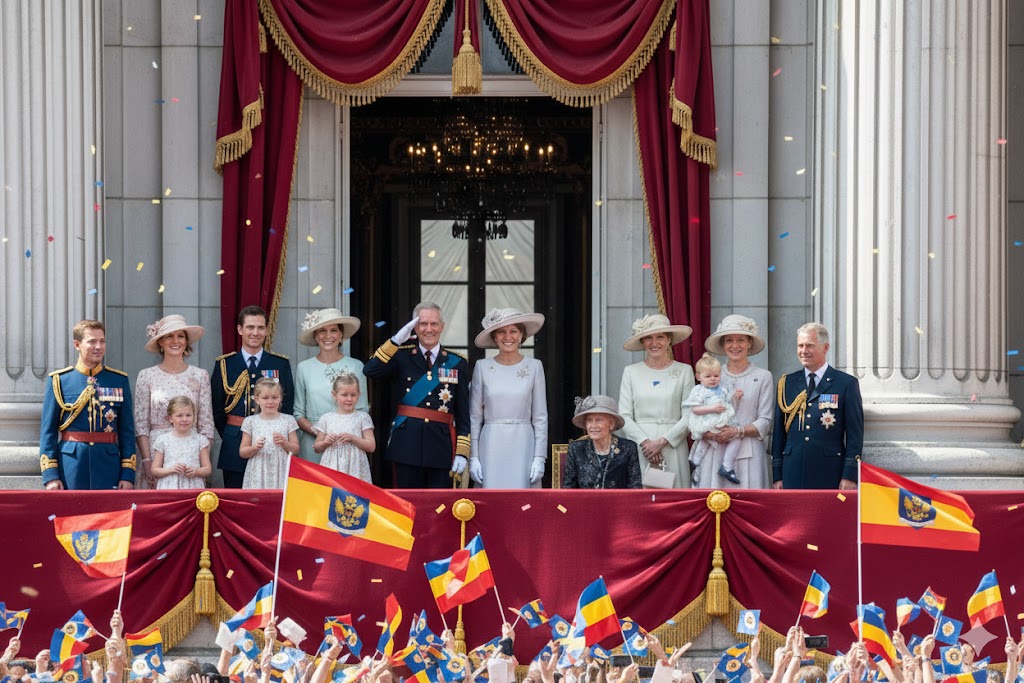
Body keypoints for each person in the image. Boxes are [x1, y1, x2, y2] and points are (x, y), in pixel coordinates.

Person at [363, 302, 470, 489]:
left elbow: (463, 411)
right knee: (408, 507)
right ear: (415, 327)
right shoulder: (400, 355)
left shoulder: (457, 362)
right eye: (423, 324)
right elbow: (371, 370)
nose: (429, 329)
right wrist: (395, 340)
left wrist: (462, 451)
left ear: (442, 326)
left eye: (434, 324)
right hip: (406, 445)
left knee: (440, 508)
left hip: (442, 446)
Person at [39, 319, 137, 490]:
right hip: (71, 464)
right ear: (77, 344)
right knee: (71, 516)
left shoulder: (118, 380)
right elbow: (48, 431)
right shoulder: (59, 381)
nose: (98, 346)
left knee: (109, 516)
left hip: (109, 464)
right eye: (92, 341)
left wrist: (127, 473)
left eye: (102, 341)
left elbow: (127, 431)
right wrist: (51, 475)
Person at [212, 305, 295, 488]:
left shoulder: (279, 363)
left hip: (272, 445)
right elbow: (217, 409)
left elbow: (287, 406)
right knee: (237, 503)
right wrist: (230, 434)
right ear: (240, 329)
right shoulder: (225, 364)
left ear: (266, 330)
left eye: (260, 327)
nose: (255, 332)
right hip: (234, 442)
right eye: (250, 327)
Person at [772, 322, 862, 490]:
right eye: (800, 345)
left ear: (825, 347)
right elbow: (778, 434)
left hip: (829, 471)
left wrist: (849, 474)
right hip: (792, 470)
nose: (804, 351)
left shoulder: (845, 383)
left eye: (810, 346)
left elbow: (855, 435)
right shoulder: (786, 383)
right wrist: (777, 474)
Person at [468, 308, 548, 489]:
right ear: (495, 337)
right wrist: (474, 457)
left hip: (523, 444)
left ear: (521, 336)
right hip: (490, 444)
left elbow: (540, 417)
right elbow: (474, 417)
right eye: (501, 332)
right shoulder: (482, 367)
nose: (507, 337)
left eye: (513, 331)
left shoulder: (534, 367)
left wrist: (539, 457)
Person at [135, 314, 215, 489]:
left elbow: (206, 423)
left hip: (191, 454)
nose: (175, 341)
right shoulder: (146, 376)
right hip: (157, 454)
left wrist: (202, 462)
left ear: (186, 342)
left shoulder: (200, 375)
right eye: (169, 336)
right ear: (160, 342)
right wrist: (147, 461)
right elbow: (141, 424)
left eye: (180, 336)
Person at [694, 314, 774, 489]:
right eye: (729, 340)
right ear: (723, 345)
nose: (735, 345)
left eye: (741, 340)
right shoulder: (712, 375)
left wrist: (737, 431)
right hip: (715, 451)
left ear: (750, 343)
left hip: (749, 454)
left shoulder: (763, 377)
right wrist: (707, 432)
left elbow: (766, 421)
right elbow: (696, 409)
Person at [617, 314, 695, 488]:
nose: (654, 343)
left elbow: (689, 415)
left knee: (675, 504)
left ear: (669, 340)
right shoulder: (631, 372)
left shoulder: (684, 371)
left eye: (660, 337)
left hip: (673, 444)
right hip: (641, 448)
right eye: (648, 338)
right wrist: (646, 443)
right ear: (643, 342)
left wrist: (662, 442)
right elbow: (624, 415)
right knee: (643, 503)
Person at [294, 307, 368, 463]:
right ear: (315, 336)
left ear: (341, 335)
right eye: (322, 331)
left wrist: (342, 434)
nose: (328, 336)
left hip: (346, 445)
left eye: (333, 330)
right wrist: (320, 433)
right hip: (312, 444)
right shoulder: (304, 368)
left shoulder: (356, 366)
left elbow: (362, 410)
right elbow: (298, 413)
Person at [562, 395, 642, 489]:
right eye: (589, 420)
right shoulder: (576, 449)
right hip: (585, 503)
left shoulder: (628, 448)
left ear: (611, 424)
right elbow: (568, 489)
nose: (593, 425)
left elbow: (635, 487)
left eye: (599, 420)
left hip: (618, 503)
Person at [685, 354, 742, 483]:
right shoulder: (698, 390)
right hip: (706, 421)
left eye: (716, 376)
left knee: (735, 438)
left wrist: (735, 397)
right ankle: (697, 464)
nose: (712, 379)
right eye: (708, 376)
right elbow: (694, 409)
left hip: (721, 421)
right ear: (698, 377)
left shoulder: (722, 389)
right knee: (706, 441)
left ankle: (725, 466)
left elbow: (729, 405)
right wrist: (712, 409)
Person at [313, 372, 375, 483]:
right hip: (332, 467)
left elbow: (371, 446)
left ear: (359, 395)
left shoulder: (362, 417)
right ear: (334, 395)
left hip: (356, 468)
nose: (349, 399)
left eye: (353, 395)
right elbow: (317, 448)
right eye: (344, 395)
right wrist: (326, 442)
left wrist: (353, 438)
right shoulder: (327, 418)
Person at [239, 378, 300, 488]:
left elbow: (296, 450)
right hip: (258, 469)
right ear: (257, 399)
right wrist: (255, 448)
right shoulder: (250, 421)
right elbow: (243, 452)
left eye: (274, 397)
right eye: (265, 398)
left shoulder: (288, 420)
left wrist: (285, 443)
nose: (270, 401)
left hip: (281, 468)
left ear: (280, 398)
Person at [150, 396, 212, 489]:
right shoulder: (163, 440)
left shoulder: (200, 440)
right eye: (179, 416)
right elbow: (154, 470)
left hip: (193, 486)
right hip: (169, 487)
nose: (184, 419)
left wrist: (196, 471)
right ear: (170, 418)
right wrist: (171, 470)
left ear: (194, 416)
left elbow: (207, 469)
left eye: (188, 415)